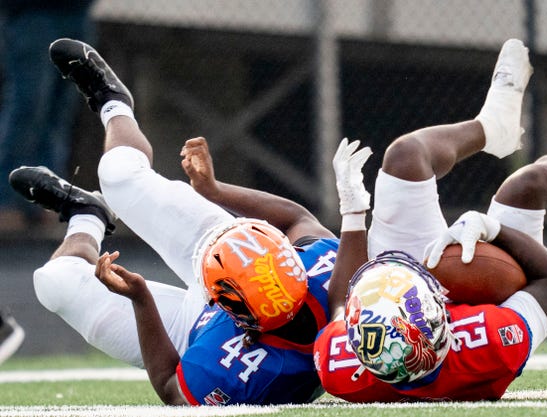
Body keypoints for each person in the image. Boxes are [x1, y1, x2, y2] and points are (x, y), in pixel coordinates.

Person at [8, 37, 368, 406]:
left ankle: (85, 216)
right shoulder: (326, 272)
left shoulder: (253, 375)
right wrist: (214, 191)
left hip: (190, 332)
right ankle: (113, 103)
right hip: (229, 255)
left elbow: (170, 387)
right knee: (117, 175)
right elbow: (299, 219)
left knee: (53, 283)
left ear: (240, 319)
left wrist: (141, 299)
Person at [313, 40, 547, 401]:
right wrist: (495, 230)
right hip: (481, 310)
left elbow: (339, 306)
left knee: (405, 156)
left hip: (406, 320)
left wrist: (352, 212)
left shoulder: (343, 364)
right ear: (440, 312)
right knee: (526, 185)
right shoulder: (490, 343)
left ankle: (493, 125)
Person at [0, 0, 96, 231]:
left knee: (60, 112)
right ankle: (6, 200)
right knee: (28, 108)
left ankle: (45, 199)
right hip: (32, 14)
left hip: (76, 13)